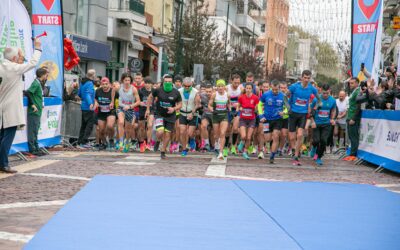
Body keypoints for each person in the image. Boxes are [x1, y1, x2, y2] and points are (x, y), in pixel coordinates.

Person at [0, 39, 42, 173]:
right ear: (13, 58)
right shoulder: (14, 68)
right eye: (17, 57)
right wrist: (38, 48)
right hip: (11, 108)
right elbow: (32, 63)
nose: (19, 58)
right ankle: (3, 163)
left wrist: (19, 58)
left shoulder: (3, 66)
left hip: (1, 106)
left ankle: (2, 162)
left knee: (2, 137)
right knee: (7, 138)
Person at [287, 70, 319, 166]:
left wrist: (314, 109)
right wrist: (288, 108)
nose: (306, 80)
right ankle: (294, 149)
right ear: (301, 77)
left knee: (300, 135)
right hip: (293, 113)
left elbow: (319, 100)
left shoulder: (312, 88)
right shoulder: (294, 87)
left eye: (308, 78)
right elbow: (285, 97)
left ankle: (296, 156)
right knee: (292, 138)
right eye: (305, 77)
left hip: (303, 114)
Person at [146, 74, 182, 159]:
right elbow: (150, 97)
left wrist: (174, 108)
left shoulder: (176, 92)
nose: (168, 83)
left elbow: (180, 104)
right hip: (159, 114)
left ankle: (162, 151)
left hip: (170, 116)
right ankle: (158, 140)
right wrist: (148, 109)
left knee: (167, 134)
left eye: (169, 82)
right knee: (160, 132)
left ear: (172, 82)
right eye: (166, 82)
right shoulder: (158, 90)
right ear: (163, 82)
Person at [259, 80, 287, 164]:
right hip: (267, 119)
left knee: (276, 136)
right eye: (273, 89)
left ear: (279, 88)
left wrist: (284, 112)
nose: (275, 91)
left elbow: (287, 107)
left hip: (278, 119)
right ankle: (269, 146)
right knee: (267, 139)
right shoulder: (266, 95)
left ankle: (272, 156)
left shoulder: (283, 96)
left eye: (277, 89)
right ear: (271, 87)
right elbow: (259, 105)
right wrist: (261, 115)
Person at [310, 84, 337, 165]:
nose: (325, 95)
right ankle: (314, 147)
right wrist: (312, 121)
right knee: (316, 140)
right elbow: (310, 111)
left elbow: (333, 110)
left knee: (323, 141)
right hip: (317, 123)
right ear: (321, 91)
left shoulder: (332, 100)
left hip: (326, 124)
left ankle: (319, 157)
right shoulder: (316, 99)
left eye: (327, 93)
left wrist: (332, 119)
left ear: (329, 91)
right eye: (324, 93)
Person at [26, 67, 49, 156]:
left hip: (37, 111)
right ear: (43, 75)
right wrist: (32, 104)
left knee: (35, 130)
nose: (47, 77)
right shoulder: (36, 83)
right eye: (46, 75)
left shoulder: (39, 83)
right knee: (33, 130)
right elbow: (28, 92)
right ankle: (33, 149)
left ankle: (36, 147)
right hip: (34, 111)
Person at [116, 73, 140, 153]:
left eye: (128, 80)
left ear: (131, 81)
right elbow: (113, 91)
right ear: (122, 80)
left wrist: (130, 106)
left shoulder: (133, 89)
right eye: (125, 80)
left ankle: (127, 142)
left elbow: (138, 102)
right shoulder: (119, 87)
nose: (127, 82)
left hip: (130, 109)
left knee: (128, 129)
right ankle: (121, 141)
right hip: (121, 108)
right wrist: (112, 102)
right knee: (120, 122)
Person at [209, 79, 231, 160]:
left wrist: (231, 109)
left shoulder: (227, 95)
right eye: (219, 86)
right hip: (216, 116)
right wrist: (211, 109)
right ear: (217, 87)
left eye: (222, 86)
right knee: (216, 135)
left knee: (222, 133)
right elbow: (209, 105)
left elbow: (229, 103)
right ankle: (217, 145)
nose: (220, 88)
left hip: (224, 116)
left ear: (224, 87)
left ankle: (221, 152)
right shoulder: (214, 95)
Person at [178, 77, 201, 156]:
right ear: (183, 84)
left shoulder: (195, 92)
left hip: (192, 113)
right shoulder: (179, 91)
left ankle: (192, 139)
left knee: (190, 133)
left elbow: (197, 104)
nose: (187, 87)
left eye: (189, 86)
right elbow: (177, 101)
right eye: (185, 86)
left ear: (191, 85)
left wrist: (192, 113)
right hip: (182, 113)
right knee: (182, 131)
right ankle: (184, 149)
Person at [237, 83, 259, 160]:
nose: (248, 90)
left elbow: (257, 108)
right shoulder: (241, 97)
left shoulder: (255, 98)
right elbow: (238, 106)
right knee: (243, 136)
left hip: (252, 119)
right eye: (247, 88)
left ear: (252, 89)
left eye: (250, 88)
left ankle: (245, 152)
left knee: (249, 137)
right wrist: (239, 109)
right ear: (245, 89)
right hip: (243, 119)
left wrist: (256, 109)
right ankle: (242, 142)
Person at [94, 77, 116, 150]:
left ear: (109, 84)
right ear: (101, 85)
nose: (105, 86)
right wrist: (96, 102)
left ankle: (111, 139)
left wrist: (114, 103)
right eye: (103, 84)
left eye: (106, 84)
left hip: (111, 111)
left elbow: (119, 98)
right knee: (101, 130)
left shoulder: (113, 91)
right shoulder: (98, 91)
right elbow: (95, 98)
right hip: (101, 112)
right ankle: (104, 142)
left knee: (110, 126)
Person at [77, 69, 97, 148]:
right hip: (88, 107)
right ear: (93, 75)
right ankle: (84, 141)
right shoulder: (89, 83)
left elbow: (79, 94)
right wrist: (90, 103)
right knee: (89, 125)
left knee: (84, 125)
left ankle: (80, 142)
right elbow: (88, 94)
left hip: (83, 106)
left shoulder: (82, 82)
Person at [343, 77, 361, 161]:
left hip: (353, 117)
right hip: (349, 116)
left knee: (354, 136)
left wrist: (353, 118)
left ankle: (353, 154)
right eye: (350, 83)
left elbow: (358, 106)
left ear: (357, 83)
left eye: (352, 83)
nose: (350, 84)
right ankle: (351, 153)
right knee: (350, 135)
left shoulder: (358, 91)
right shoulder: (353, 91)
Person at [226, 74, 243, 156]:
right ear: (231, 81)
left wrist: (239, 106)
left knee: (236, 128)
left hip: (237, 110)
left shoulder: (241, 88)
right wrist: (230, 105)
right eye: (235, 83)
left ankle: (234, 146)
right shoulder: (227, 88)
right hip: (228, 110)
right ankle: (226, 147)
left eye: (238, 83)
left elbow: (244, 100)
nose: (237, 84)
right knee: (227, 130)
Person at [138, 77, 154, 152]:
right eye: (146, 83)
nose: (147, 85)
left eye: (149, 83)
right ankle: (142, 142)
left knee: (150, 125)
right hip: (142, 110)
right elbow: (137, 100)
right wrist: (140, 103)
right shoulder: (141, 91)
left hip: (151, 110)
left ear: (151, 84)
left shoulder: (154, 91)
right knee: (141, 128)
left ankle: (148, 143)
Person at [199, 84, 214, 151]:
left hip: (214, 116)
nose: (208, 93)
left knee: (213, 132)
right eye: (207, 91)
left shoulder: (216, 96)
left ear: (213, 91)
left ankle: (214, 146)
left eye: (210, 91)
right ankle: (206, 143)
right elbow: (195, 95)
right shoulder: (202, 96)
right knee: (203, 126)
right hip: (206, 116)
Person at [278, 81, 290, 156]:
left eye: (284, 88)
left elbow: (289, 107)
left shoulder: (289, 97)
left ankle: (280, 149)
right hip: (276, 118)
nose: (283, 89)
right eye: (281, 88)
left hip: (285, 118)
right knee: (276, 134)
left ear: (287, 89)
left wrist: (284, 112)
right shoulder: (276, 95)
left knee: (284, 134)